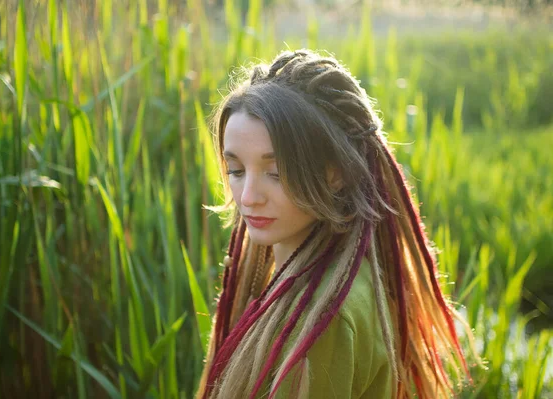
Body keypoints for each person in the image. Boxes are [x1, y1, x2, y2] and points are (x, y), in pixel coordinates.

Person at [196, 49, 473, 399]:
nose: (248, 196)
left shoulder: (322, 320)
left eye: (276, 173)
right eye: (236, 170)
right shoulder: (327, 282)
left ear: (336, 174)